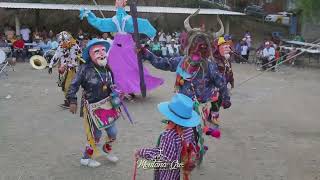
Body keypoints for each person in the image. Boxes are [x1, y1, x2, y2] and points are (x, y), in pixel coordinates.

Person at [141, 9, 230, 148]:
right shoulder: (182, 61)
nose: (199, 48)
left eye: (203, 46)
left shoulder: (209, 66)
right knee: (173, 132)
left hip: (196, 107)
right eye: (196, 44)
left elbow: (222, 83)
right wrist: (146, 53)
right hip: (179, 105)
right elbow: (162, 63)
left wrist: (226, 99)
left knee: (192, 135)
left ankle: (196, 148)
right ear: (191, 44)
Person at [80, 0, 164, 97]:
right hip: (121, 44)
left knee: (128, 67)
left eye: (120, 2)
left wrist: (89, 14)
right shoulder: (120, 19)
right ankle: (122, 88)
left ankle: (127, 88)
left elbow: (100, 23)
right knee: (121, 67)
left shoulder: (121, 19)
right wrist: (152, 33)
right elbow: (143, 24)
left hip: (124, 44)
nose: (118, 4)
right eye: (117, 2)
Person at [67, 38, 121, 167]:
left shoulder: (107, 67)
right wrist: (72, 100)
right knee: (95, 134)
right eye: (97, 51)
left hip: (107, 104)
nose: (102, 53)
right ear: (90, 55)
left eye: (103, 50)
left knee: (113, 132)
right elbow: (73, 85)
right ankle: (86, 158)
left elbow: (111, 84)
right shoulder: (84, 69)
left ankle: (107, 150)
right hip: (91, 106)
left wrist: (116, 92)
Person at [135, 93, 201, 180]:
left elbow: (163, 157)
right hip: (182, 170)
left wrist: (141, 152)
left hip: (169, 174)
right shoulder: (189, 129)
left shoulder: (169, 135)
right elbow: (192, 145)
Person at [48, 31, 81, 108]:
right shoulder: (60, 47)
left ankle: (71, 101)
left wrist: (70, 64)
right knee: (63, 86)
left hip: (71, 69)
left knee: (68, 86)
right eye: (61, 41)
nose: (62, 43)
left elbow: (77, 57)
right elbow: (56, 56)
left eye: (63, 41)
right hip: (63, 69)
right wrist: (50, 65)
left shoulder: (75, 46)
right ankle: (68, 101)